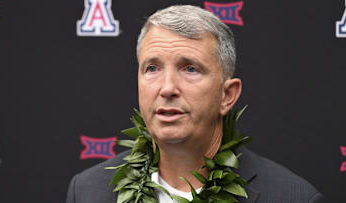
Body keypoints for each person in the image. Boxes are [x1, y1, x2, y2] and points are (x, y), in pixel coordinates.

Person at [66, 5, 323, 203]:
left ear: (228, 95)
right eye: (152, 68)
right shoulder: (88, 192)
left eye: (190, 69)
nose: (167, 88)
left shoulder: (293, 197)